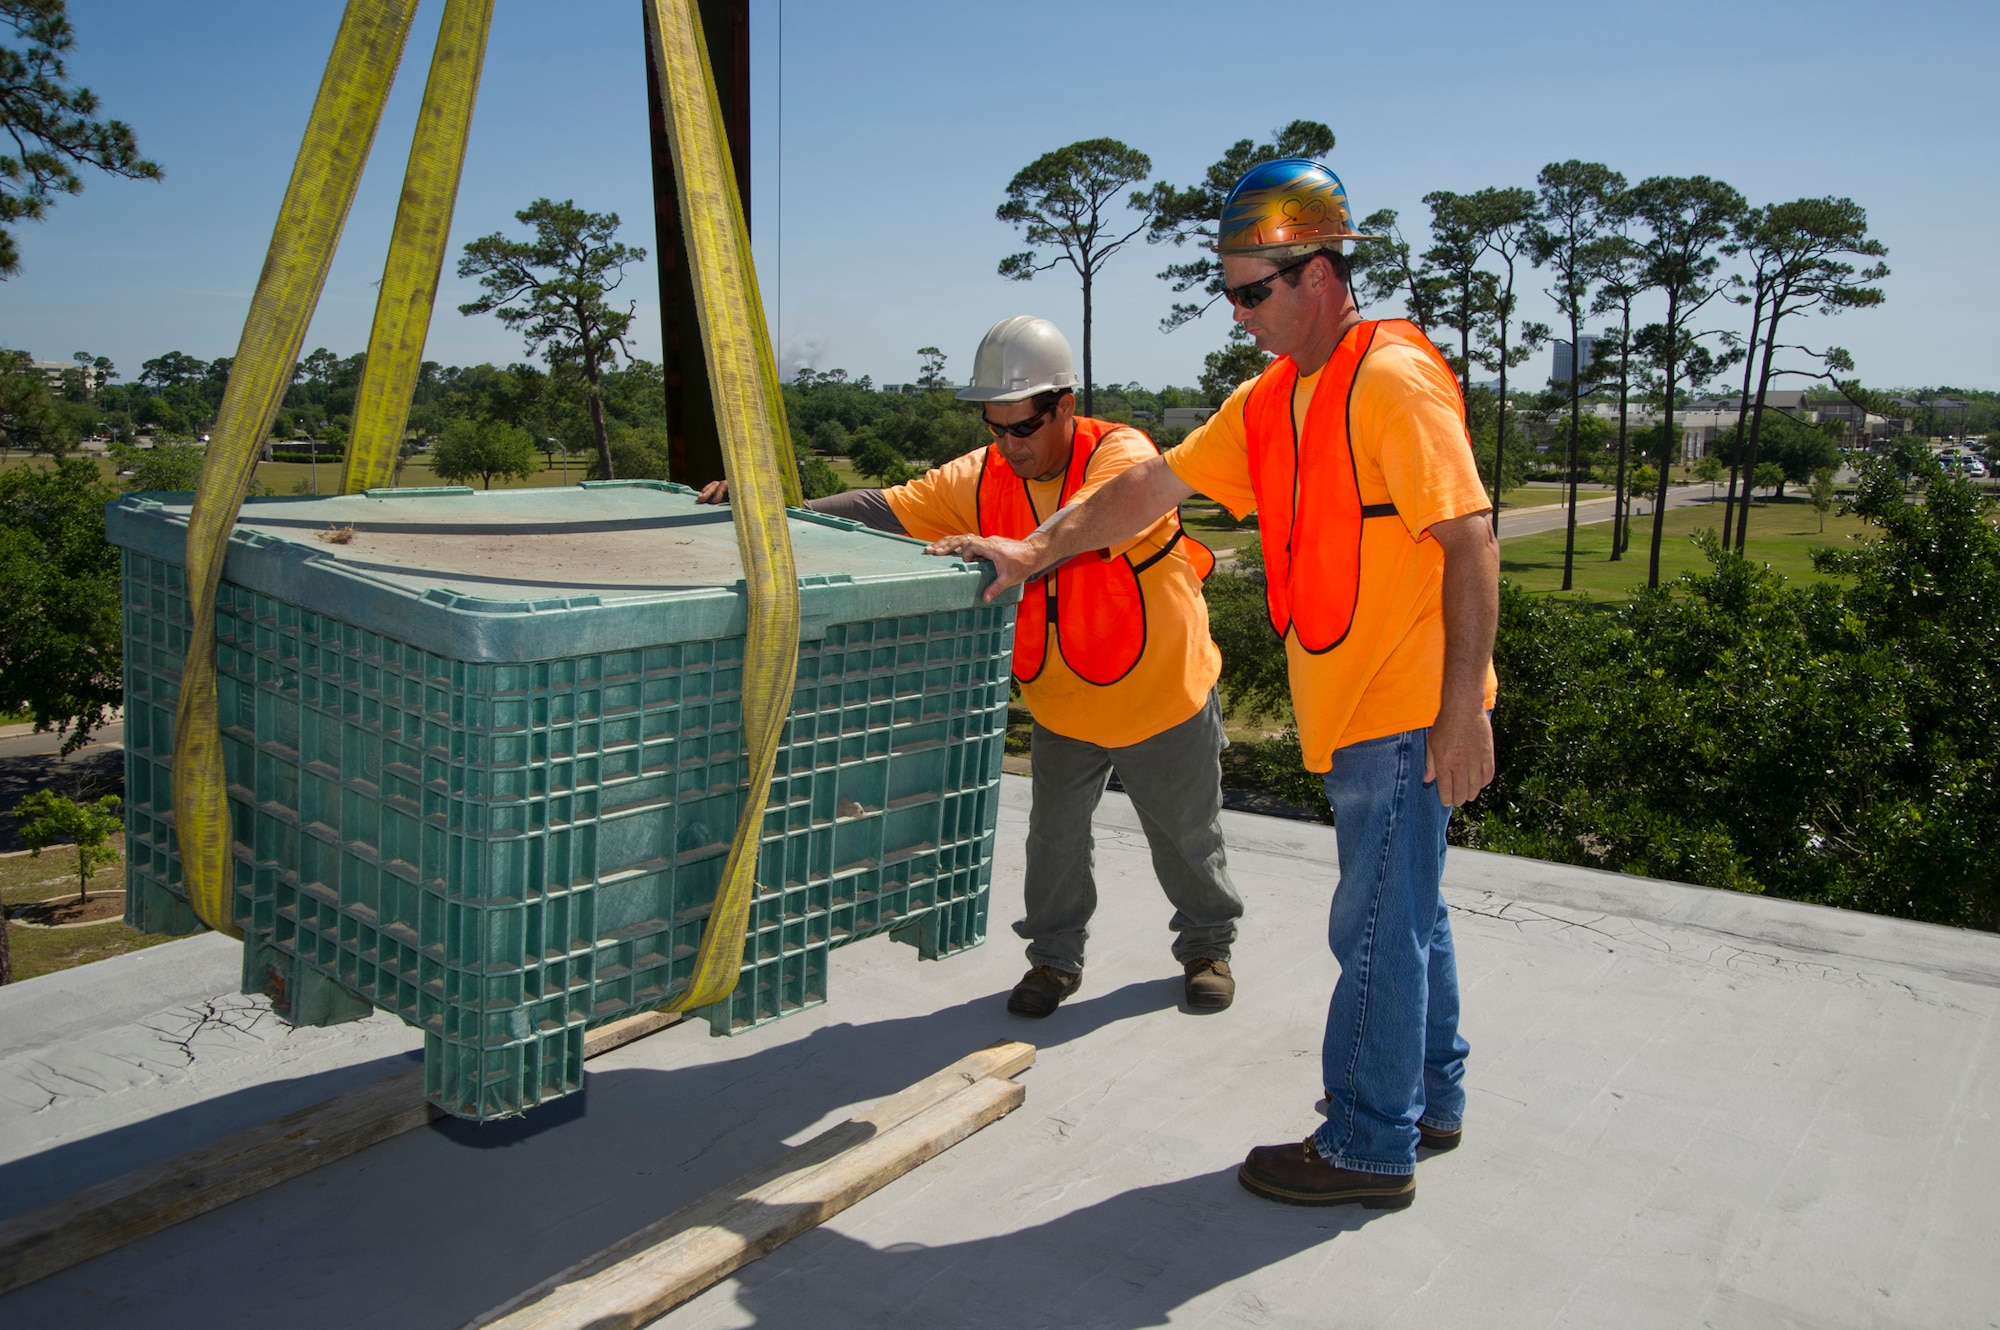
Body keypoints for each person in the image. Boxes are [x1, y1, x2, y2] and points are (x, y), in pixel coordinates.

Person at [928, 161, 1499, 1210]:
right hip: (1359, 705)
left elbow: (1467, 541)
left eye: (1252, 292)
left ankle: (1369, 1144)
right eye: (1228, 293)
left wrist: (1460, 711)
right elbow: (1146, 486)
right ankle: (1428, 1095)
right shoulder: (1274, 397)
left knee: (1371, 925)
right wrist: (1034, 551)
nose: (1237, 315)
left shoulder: (1389, 380)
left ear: (1319, 274)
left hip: (1404, 705)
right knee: (1407, 912)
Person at [699, 315, 1243, 1017]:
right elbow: (884, 507)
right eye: (997, 427)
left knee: (1187, 837)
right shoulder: (982, 475)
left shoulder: (1122, 456)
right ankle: (1053, 960)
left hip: (1162, 693)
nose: (1010, 445)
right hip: (1062, 702)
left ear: (1066, 406)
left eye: (1026, 427)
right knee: (1052, 842)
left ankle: (1207, 947)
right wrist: (779, 513)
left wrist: (1029, 548)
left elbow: (1098, 510)